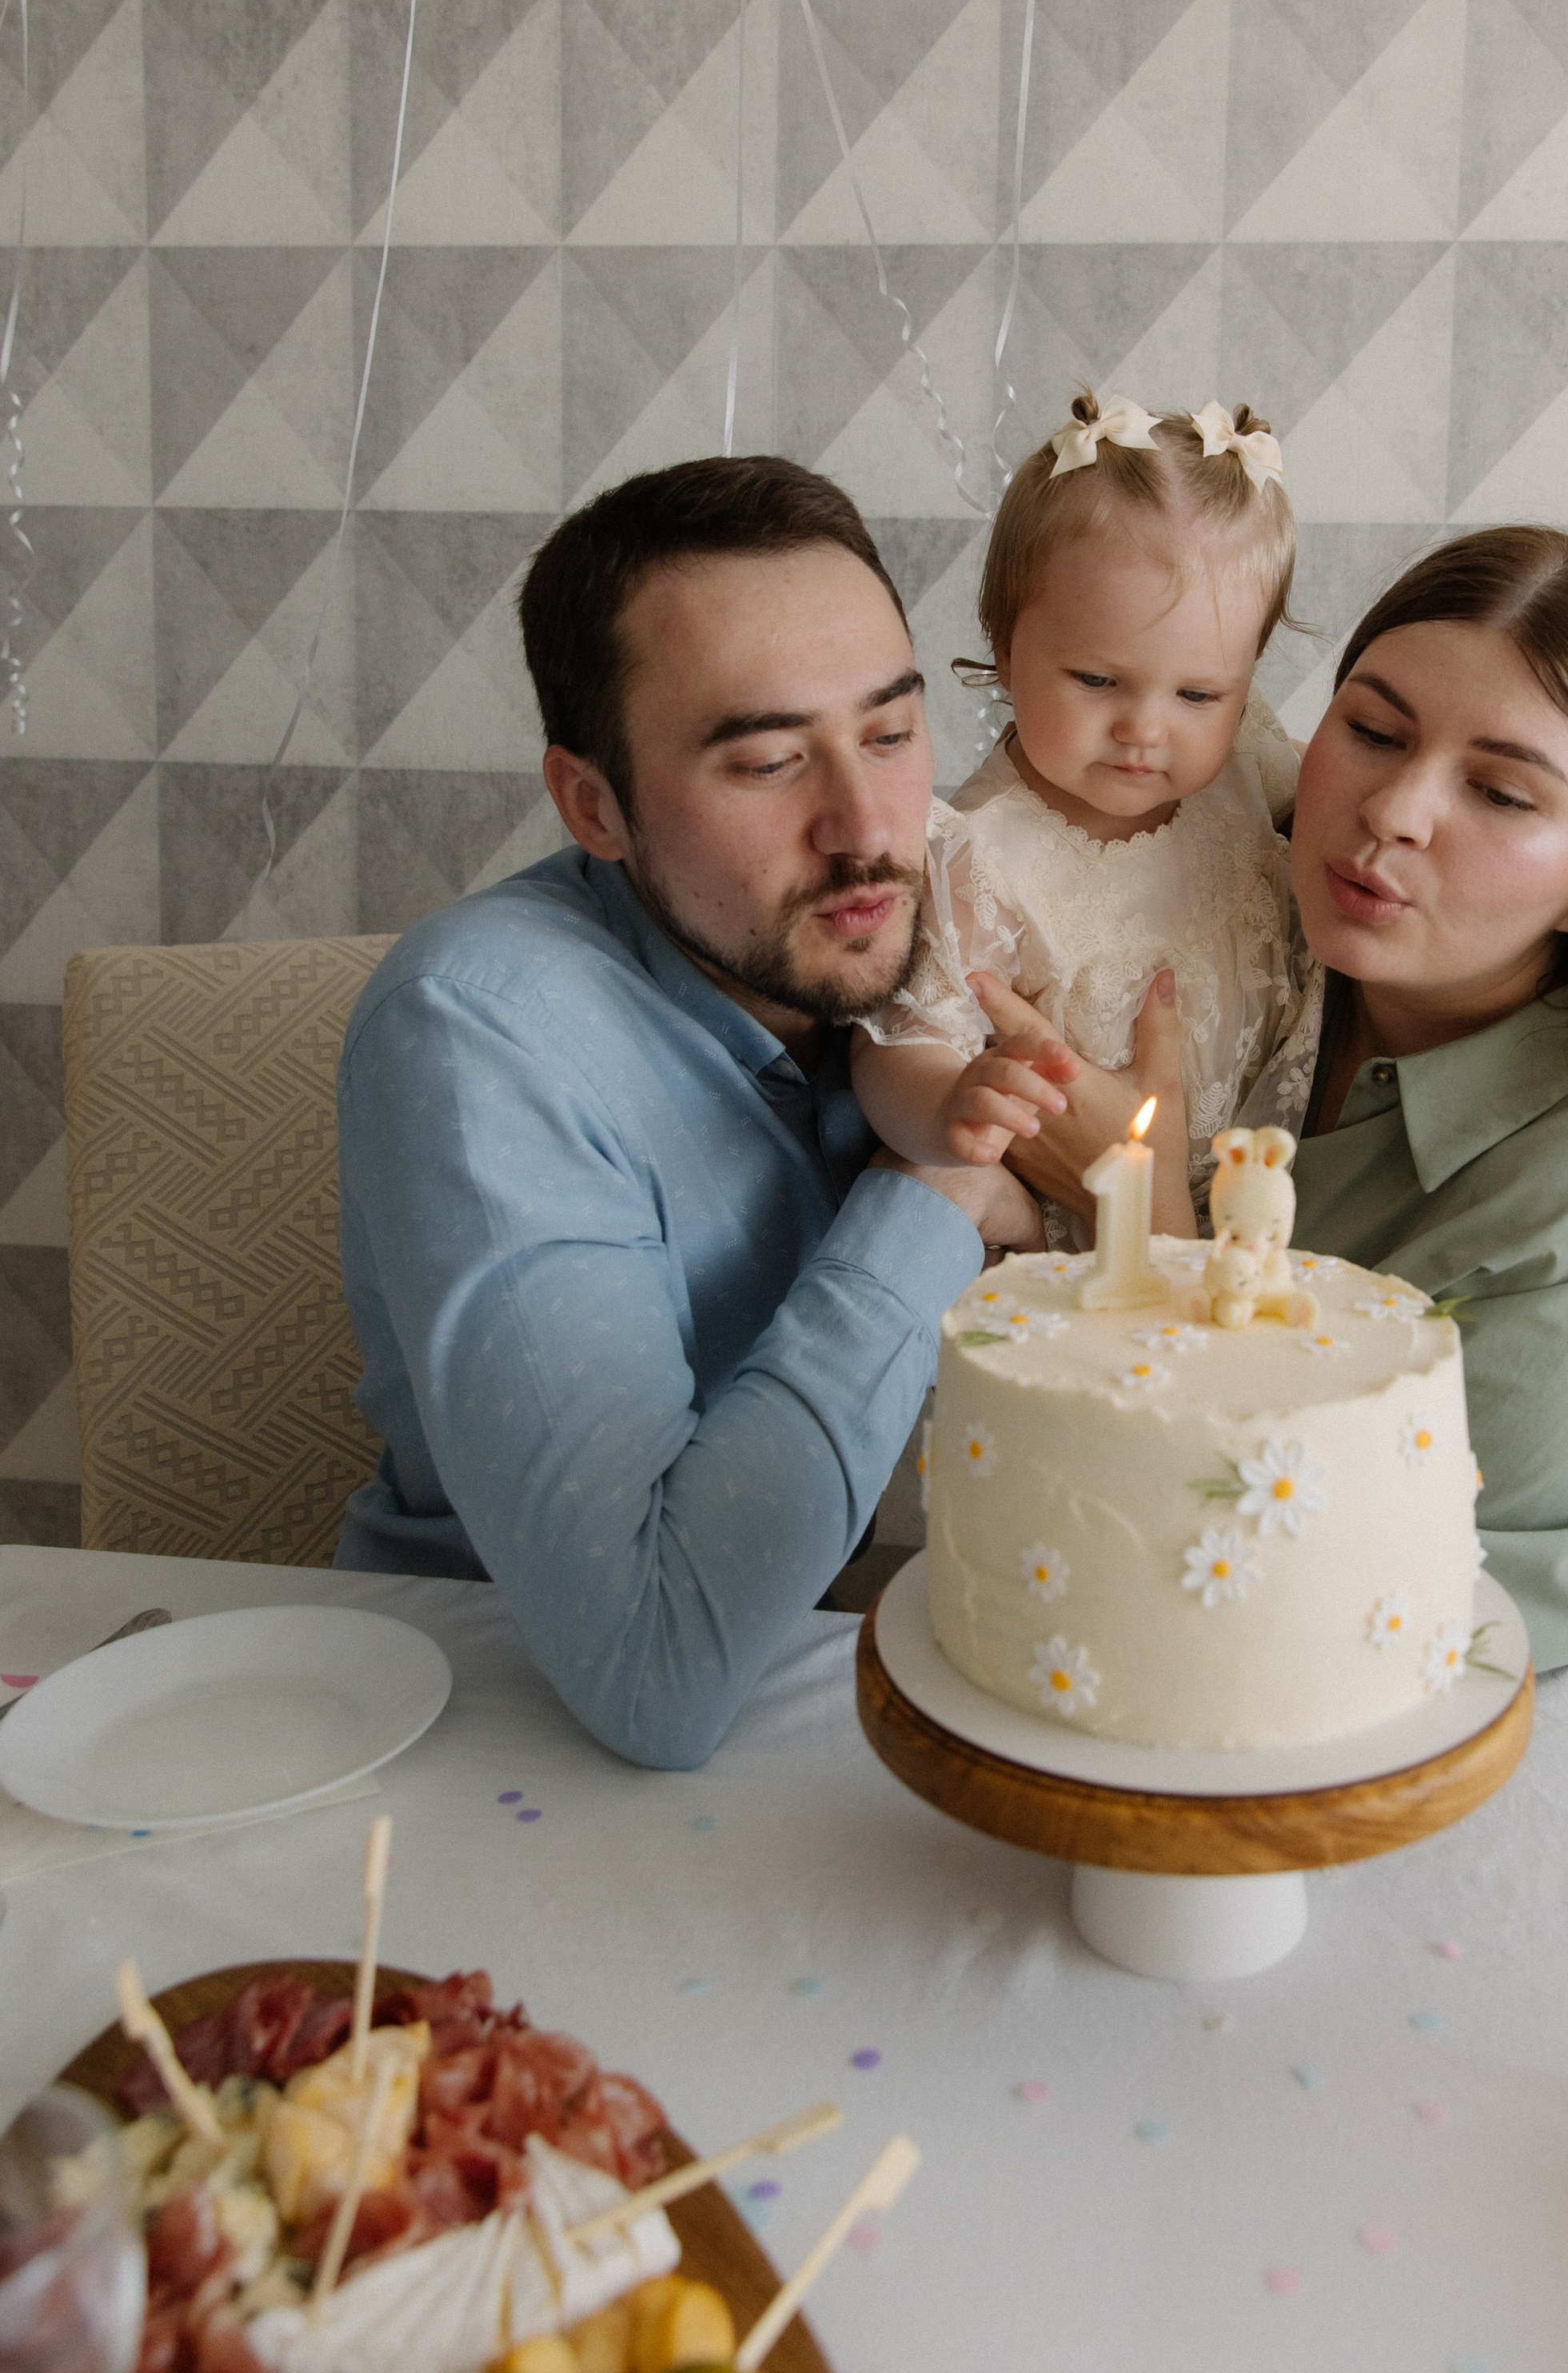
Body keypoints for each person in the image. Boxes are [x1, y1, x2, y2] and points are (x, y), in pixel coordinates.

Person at [980, 528, 1568, 1690]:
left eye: (1501, 791)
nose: (1396, 812)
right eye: (1370, 731)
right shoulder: (1228, 955)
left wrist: (1151, 1225)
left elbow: (1317, 1627)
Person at [332, 458, 1040, 1768]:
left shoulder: (952, 924)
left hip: (872, 1702)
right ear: (594, 804)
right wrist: (934, 1185)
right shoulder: (477, 1028)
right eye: (770, 762)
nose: (866, 826)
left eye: (890, 733)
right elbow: (649, 1669)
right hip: (498, 1748)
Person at [851, 391, 1319, 1238]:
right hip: (1079, 1234)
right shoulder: (978, 852)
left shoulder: (1247, 763)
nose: (1145, 729)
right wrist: (947, 1104)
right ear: (1003, 641)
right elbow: (898, 1047)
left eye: (1198, 693)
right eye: (1098, 681)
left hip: (1254, 1207)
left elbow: (1337, 820)